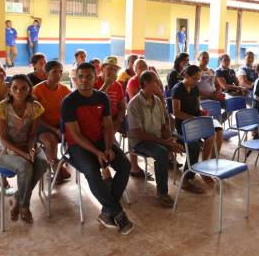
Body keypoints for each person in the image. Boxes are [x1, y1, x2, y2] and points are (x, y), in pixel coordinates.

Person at [62, 62, 134, 235]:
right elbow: (76, 135)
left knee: (124, 165)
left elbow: (108, 126)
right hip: (77, 145)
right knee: (92, 170)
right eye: (81, 77)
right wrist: (97, 153)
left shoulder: (102, 98)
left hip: (101, 141)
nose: (84, 80)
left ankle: (107, 211)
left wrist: (108, 147)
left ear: (95, 78)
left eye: (89, 77)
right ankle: (118, 213)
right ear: (75, 79)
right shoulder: (69, 102)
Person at [0, 74, 48, 224]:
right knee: (25, 166)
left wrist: (30, 150)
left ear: (29, 90)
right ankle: (25, 206)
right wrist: (24, 154)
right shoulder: (1, 108)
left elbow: (33, 134)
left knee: (42, 163)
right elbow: (3, 139)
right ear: (9, 89)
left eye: (24, 88)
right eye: (15, 88)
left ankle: (17, 197)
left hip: (27, 145)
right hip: (3, 150)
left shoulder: (35, 107)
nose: (19, 91)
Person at [127, 70, 185, 207]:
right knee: (161, 152)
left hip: (157, 137)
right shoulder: (134, 104)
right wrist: (166, 144)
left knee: (191, 142)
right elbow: (140, 134)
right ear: (146, 83)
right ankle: (162, 193)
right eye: (155, 81)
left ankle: (188, 178)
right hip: (140, 142)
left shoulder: (157, 100)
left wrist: (170, 139)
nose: (159, 84)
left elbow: (163, 125)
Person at [172, 65, 217, 193]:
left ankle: (203, 166)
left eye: (198, 78)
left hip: (195, 121)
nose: (197, 81)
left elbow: (198, 106)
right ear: (186, 76)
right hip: (183, 126)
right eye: (194, 78)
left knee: (211, 136)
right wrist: (192, 118)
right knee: (194, 146)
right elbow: (177, 112)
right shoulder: (178, 89)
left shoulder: (195, 88)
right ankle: (186, 179)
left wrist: (202, 112)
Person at [32, 60, 72, 183]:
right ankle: (56, 168)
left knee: (76, 137)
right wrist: (55, 130)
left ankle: (58, 165)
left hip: (59, 125)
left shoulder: (64, 89)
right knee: (50, 141)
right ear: (47, 72)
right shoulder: (37, 90)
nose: (59, 75)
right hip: (41, 126)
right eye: (55, 72)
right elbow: (36, 118)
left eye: (60, 72)